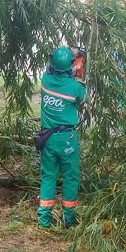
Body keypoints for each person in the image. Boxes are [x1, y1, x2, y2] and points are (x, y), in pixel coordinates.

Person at [37, 46, 87, 228]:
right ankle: (69, 219)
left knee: (48, 176)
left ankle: (44, 220)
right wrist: (80, 73)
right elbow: (82, 100)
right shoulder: (74, 88)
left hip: (48, 138)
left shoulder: (45, 81)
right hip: (67, 139)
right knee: (70, 177)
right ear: (69, 68)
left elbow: (53, 71)